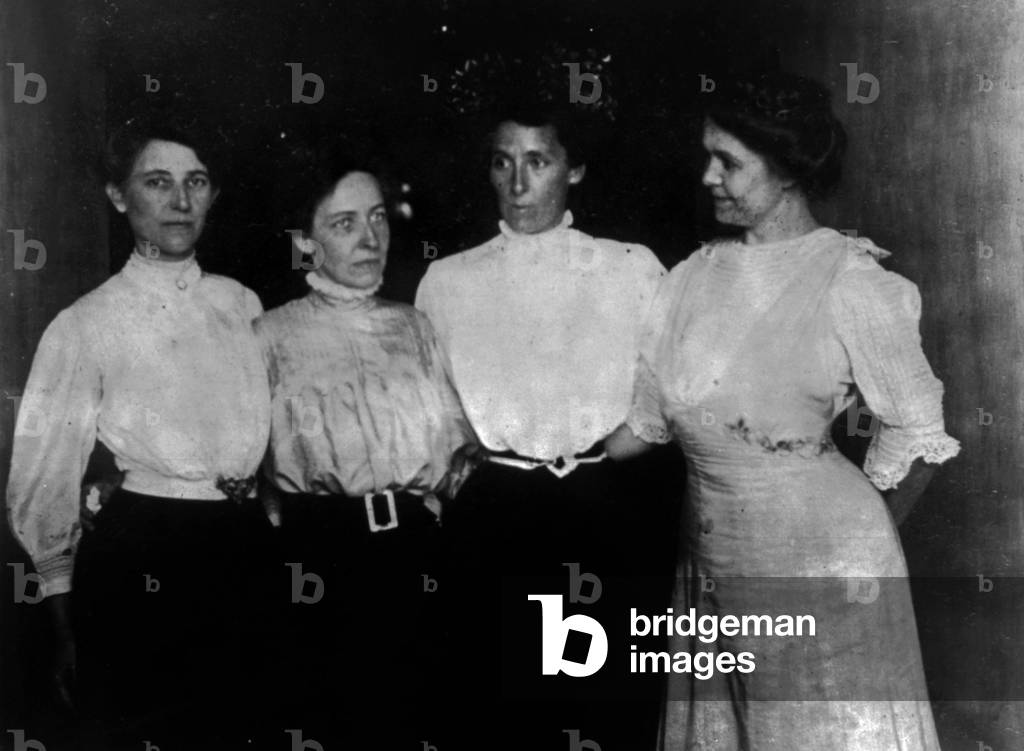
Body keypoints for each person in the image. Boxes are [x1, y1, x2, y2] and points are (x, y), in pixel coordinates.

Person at [607, 71, 961, 749]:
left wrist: (859, 558)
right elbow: (641, 425)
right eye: (707, 155)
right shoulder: (687, 279)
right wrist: (528, 458)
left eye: (729, 162)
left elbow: (920, 435)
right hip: (708, 561)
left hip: (820, 570)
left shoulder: (850, 280)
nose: (708, 175)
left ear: (789, 172)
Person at [5, 113, 274, 749]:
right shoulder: (85, 323)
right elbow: (41, 483)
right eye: (158, 182)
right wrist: (66, 625)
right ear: (119, 196)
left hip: (241, 553)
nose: (182, 202)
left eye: (197, 182)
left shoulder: (244, 304)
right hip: (144, 555)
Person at [415, 98, 667, 748]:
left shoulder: (631, 267)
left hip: (604, 509)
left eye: (538, 161)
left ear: (574, 168)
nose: (519, 184)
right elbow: (430, 409)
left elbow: (673, 389)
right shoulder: (448, 281)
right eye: (503, 163)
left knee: (607, 706)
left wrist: (616, 453)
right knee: (502, 710)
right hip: (498, 514)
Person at [256, 144, 476, 745]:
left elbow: (458, 453)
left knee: (413, 717)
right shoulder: (268, 335)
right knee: (328, 718)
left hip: (412, 555)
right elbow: (248, 468)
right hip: (319, 553)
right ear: (307, 242)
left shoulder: (416, 327)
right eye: (344, 223)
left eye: (377, 217)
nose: (369, 237)